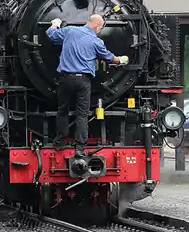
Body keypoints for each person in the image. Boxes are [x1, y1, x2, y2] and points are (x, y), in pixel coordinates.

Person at [47, 14, 128, 155]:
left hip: (66, 78)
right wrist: (120, 60)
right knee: (82, 114)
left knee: (62, 111)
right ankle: (79, 148)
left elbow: (51, 35)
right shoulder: (96, 41)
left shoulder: (70, 31)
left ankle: (59, 142)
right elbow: (109, 58)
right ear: (97, 26)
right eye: (100, 28)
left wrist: (55, 23)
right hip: (83, 81)